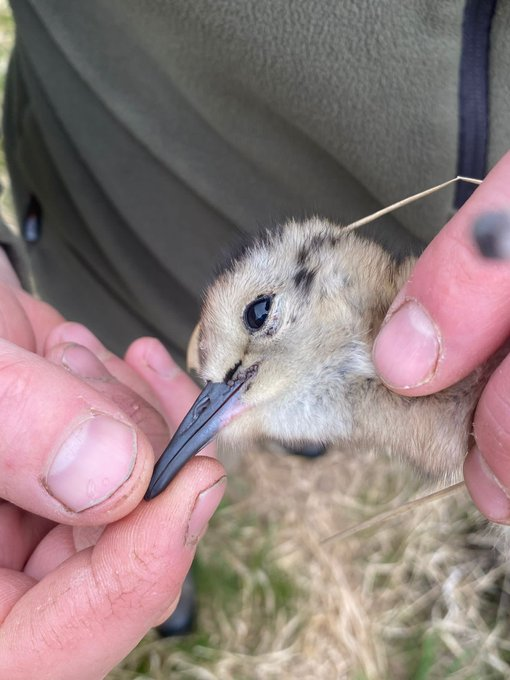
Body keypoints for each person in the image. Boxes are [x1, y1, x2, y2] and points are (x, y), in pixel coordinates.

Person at [1, 1, 510, 678]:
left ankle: (168, 556)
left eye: (260, 316)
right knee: (131, 408)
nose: (229, 373)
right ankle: (163, 571)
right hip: (84, 213)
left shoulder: (365, 320)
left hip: (456, 257)